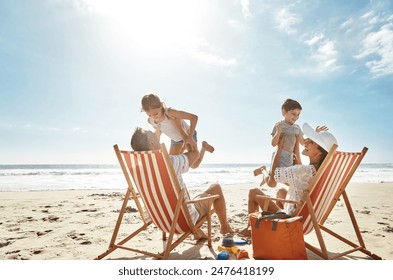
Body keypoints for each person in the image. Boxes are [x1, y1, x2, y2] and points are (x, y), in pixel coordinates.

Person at [130, 127, 234, 239]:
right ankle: (224, 227)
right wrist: (187, 138)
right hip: (184, 221)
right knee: (216, 187)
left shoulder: (138, 169)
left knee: (185, 195)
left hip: (161, 220)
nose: (156, 134)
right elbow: (195, 154)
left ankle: (197, 232)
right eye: (153, 134)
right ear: (151, 143)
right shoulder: (169, 162)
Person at [240, 123, 338, 237]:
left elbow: (273, 178)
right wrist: (306, 142)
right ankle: (275, 229)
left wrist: (278, 149)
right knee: (281, 191)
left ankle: (250, 230)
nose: (305, 142)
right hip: (309, 218)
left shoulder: (303, 171)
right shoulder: (322, 171)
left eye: (311, 142)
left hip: (292, 221)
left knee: (253, 192)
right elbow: (301, 169)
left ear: (319, 152)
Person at [140, 93, 214, 169]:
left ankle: (203, 148)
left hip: (188, 135)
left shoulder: (170, 112)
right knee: (171, 165)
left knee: (194, 165)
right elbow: (159, 131)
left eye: (155, 113)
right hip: (176, 141)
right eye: (149, 115)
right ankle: (188, 148)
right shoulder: (151, 121)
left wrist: (190, 137)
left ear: (161, 105)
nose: (153, 117)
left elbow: (194, 117)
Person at [254, 98, 304, 188]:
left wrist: (315, 134)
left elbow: (303, 142)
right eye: (293, 114)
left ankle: (265, 173)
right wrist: (278, 132)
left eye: (298, 114)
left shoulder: (297, 128)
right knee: (272, 183)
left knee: (292, 183)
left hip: (290, 158)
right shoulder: (279, 125)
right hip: (279, 156)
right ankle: (263, 170)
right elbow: (273, 143)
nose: (296, 117)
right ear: (284, 112)